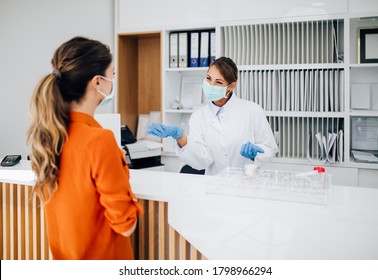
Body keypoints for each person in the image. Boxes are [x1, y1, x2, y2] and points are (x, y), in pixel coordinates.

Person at [26, 36, 143, 260]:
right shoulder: (99, 140)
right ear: (97, 82)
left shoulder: (49, 137)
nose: (113, 81)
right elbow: (125, 225)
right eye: (112, 75)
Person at [147, 57, 278, 175]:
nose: (211, 85)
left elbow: (270, 149)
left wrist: (258, 152)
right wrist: (181, 138)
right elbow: (202, 161)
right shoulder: (199, 116)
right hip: (214, 187)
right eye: (209, 79)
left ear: (231, 86)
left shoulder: (252, 110)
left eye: (218, 82)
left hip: (248, 186)